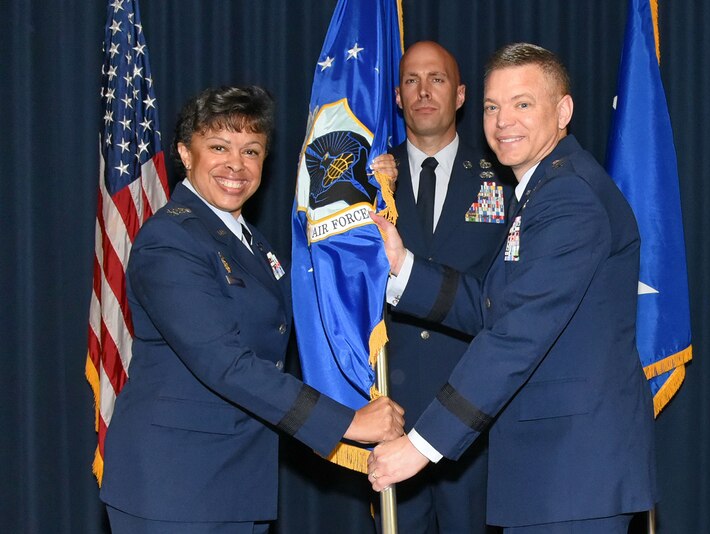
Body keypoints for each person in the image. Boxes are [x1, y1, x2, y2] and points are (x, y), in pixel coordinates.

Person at [368, 43, 656, 533]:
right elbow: (493, 307)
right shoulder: (544, 189)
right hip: (554, 474)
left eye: (523, 104)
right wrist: (403, 269)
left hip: (571, 474)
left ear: (562, 110)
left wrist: (420, 445)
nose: (504, 121)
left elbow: (517, 334)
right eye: (493, 106)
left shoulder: (568, 197)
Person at [99, 85, 404, 533]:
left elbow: (306, 314)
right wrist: (348, 422)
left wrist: (368, 192)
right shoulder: (171, 241)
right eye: (219, 147)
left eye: (252, 151)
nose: (236, 165)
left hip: (236, 479)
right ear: (186, 154)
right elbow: (226, 364)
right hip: (175, 484)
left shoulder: (251, 243)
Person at [377, 40, 508, 534]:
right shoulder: (367, 182)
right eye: (411, 80)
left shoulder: (503, 176)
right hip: (394, 404)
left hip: (473, 412)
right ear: (396, 95)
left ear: (460, 94)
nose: (424, 91)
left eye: (437, 79)